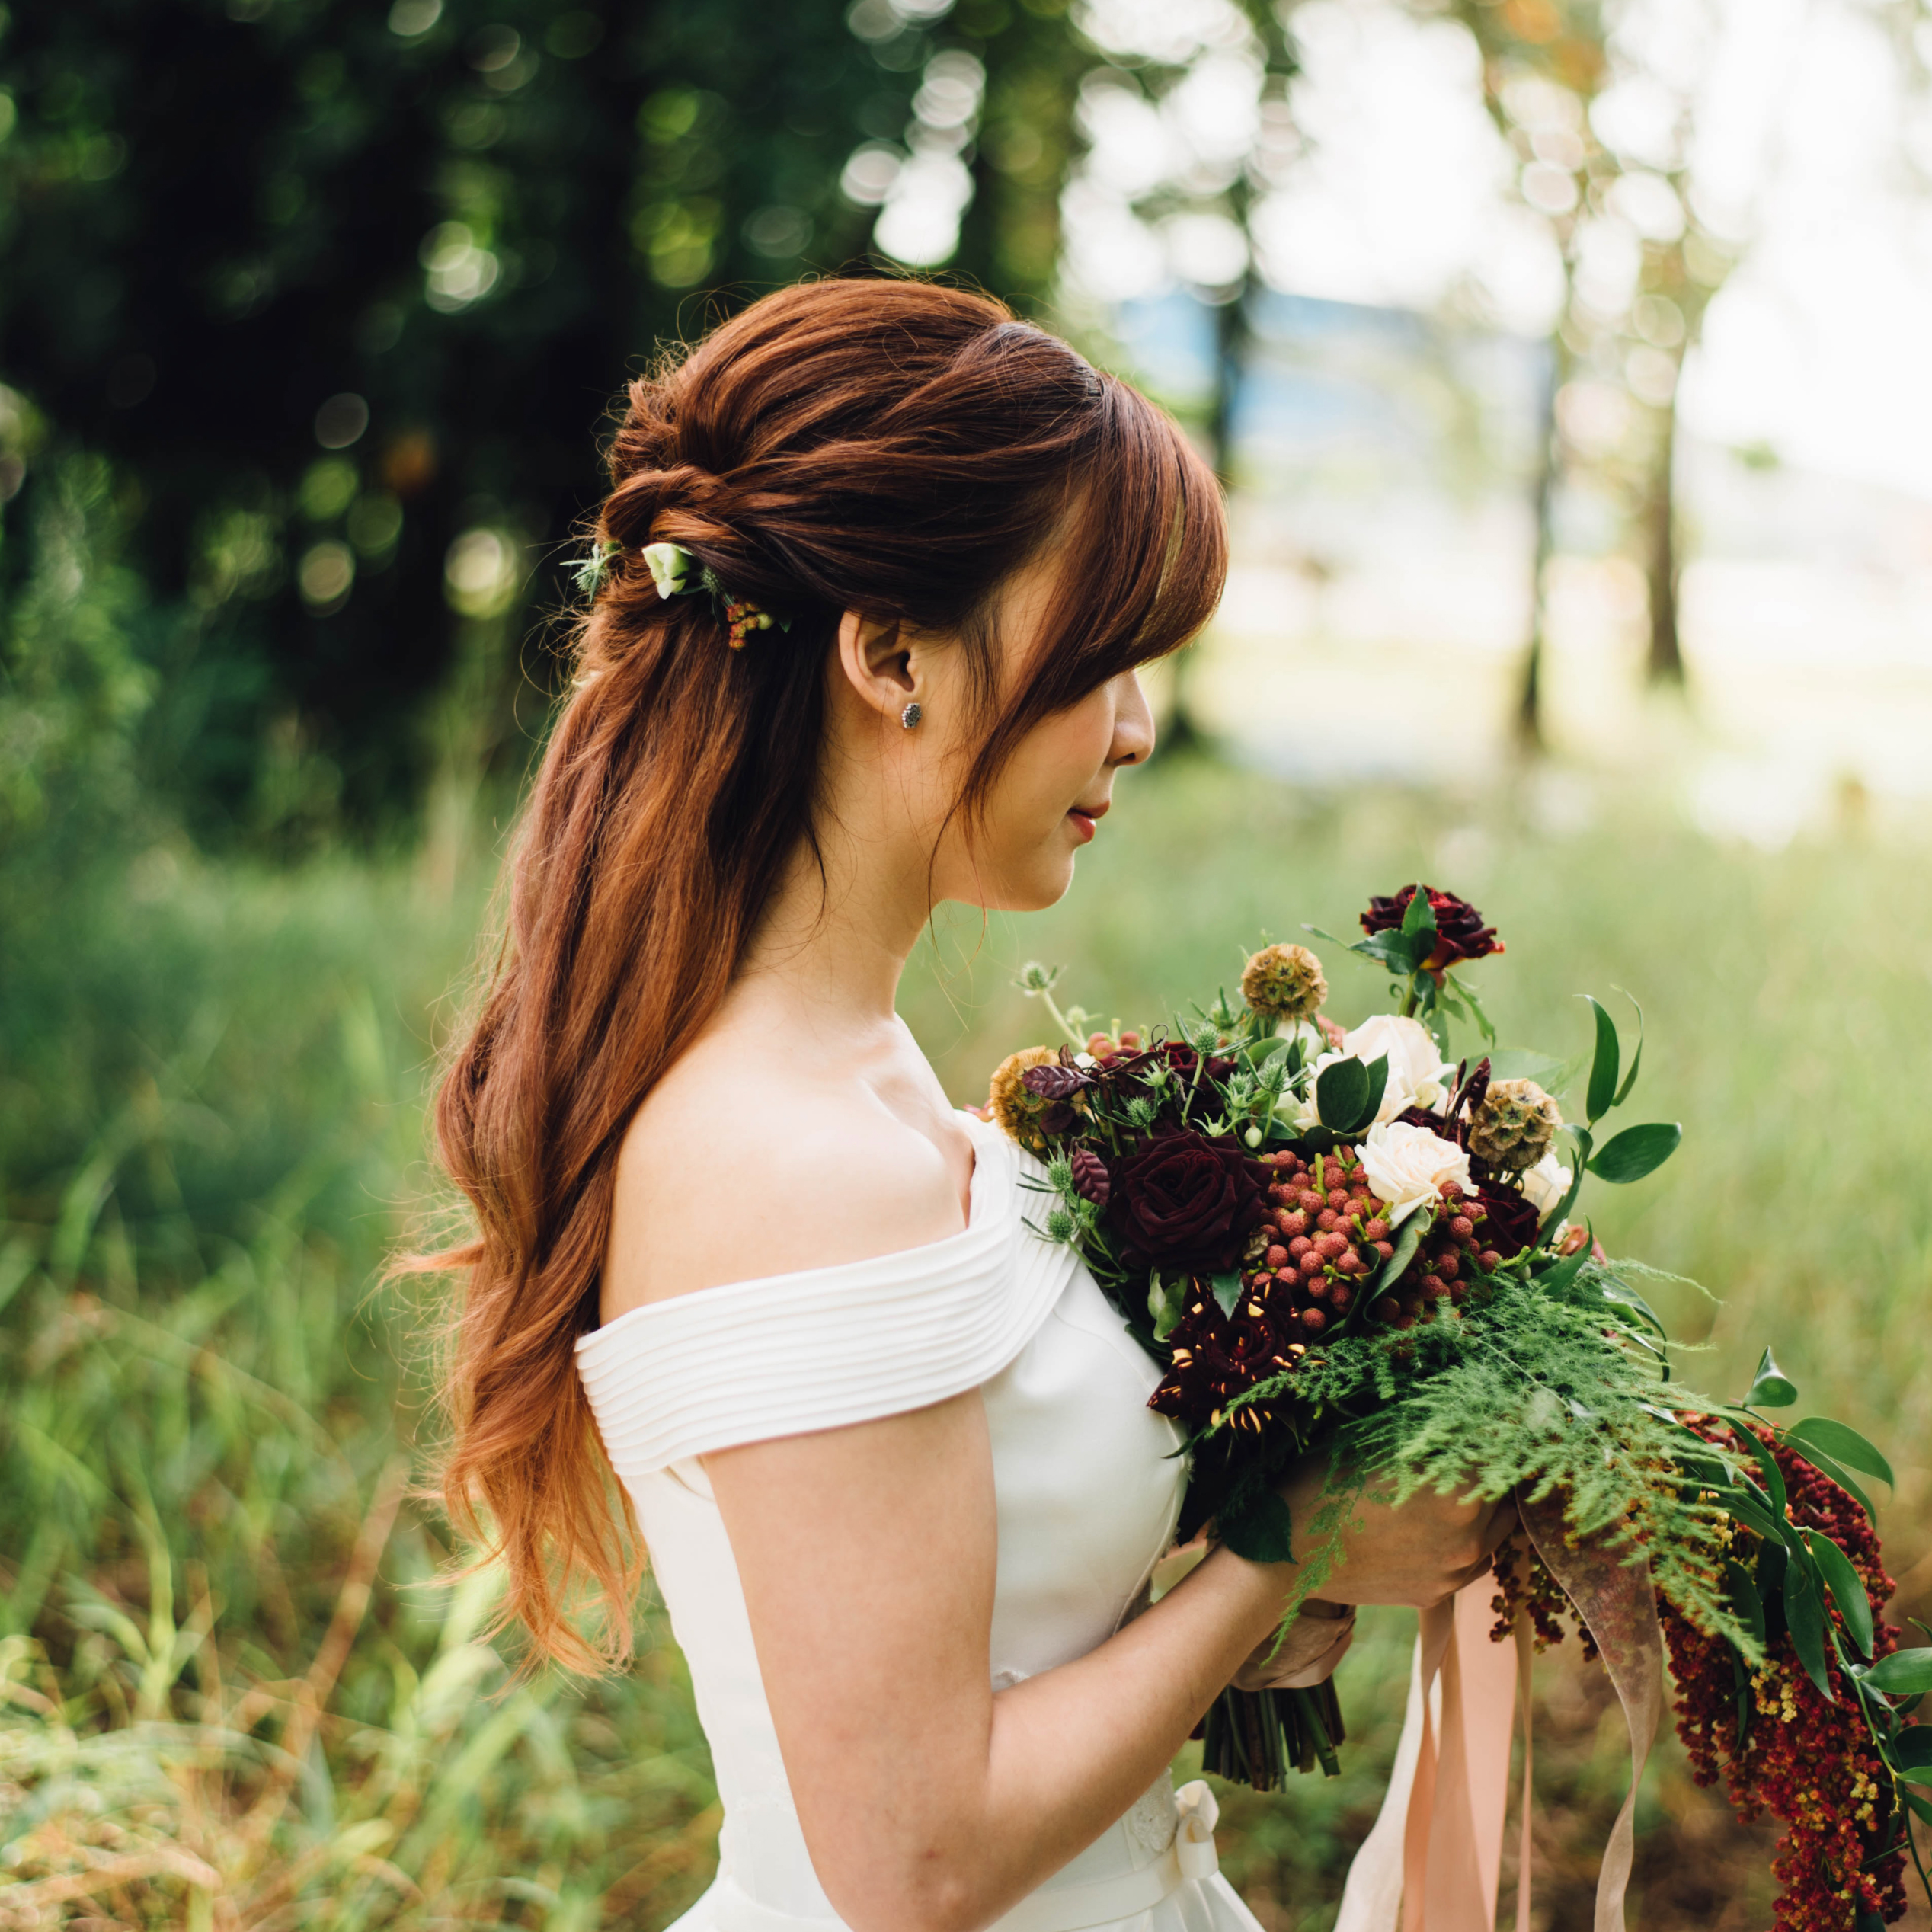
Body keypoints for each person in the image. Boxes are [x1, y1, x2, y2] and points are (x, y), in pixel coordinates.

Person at [424, 279, 1516, 1932]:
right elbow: (913, 1858)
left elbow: (979, 1599)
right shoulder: (784, 1158)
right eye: (1103, 656)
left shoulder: (863, 1084)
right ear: (887, 654)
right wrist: (1280, 1543)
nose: (1136, 729)